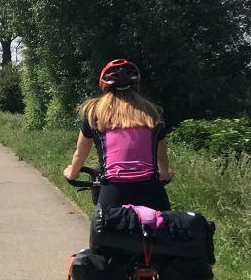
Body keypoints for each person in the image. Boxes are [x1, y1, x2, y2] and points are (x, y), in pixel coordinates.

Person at [63, 59, 173, 211]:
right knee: (164, 230)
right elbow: (162, 157)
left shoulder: (94, 113)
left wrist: (72, 173)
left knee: (103, 231)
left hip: (112, 191)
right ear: (136, 86)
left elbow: (81, 153)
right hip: (150, 191)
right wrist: (166, 174)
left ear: (105, 88)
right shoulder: (152, 114)